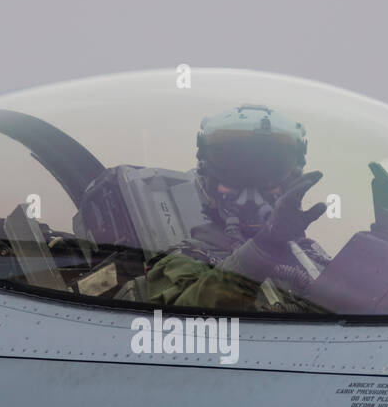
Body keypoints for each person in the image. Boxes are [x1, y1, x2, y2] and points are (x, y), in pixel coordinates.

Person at [138, 104, 331, 311]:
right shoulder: (183, 261)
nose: (250, 192)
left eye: (268, 177)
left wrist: (367, 253)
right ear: (207, 179)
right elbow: (185, 322)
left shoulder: (310, 256)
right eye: (233, 175)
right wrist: (264, 248)